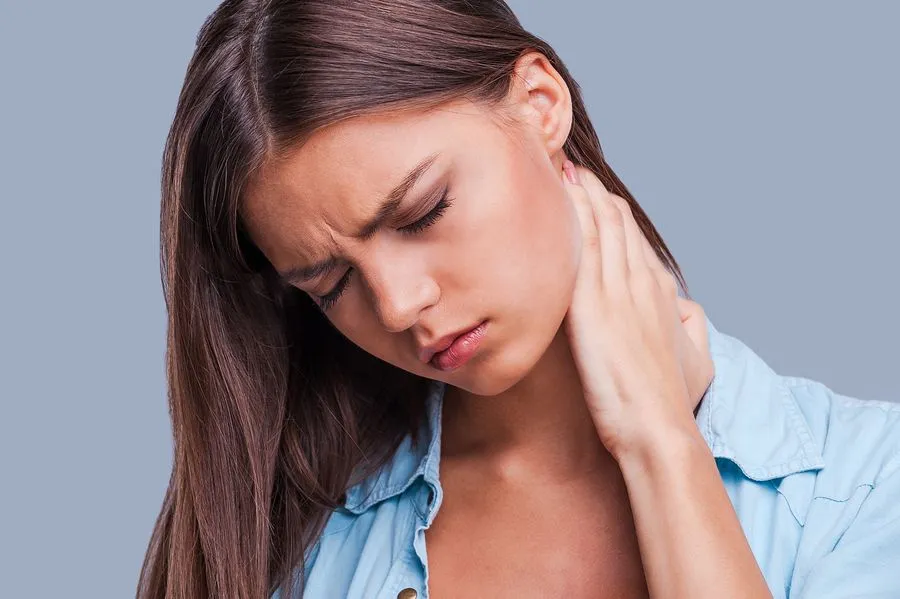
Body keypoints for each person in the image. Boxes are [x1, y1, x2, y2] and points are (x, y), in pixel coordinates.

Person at [137, 1, 900, 598]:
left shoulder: (866, 486)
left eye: (423, 211)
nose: (400, 304)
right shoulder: (297, 541)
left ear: (540, 104)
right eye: (331, 285)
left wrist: (661, 442)